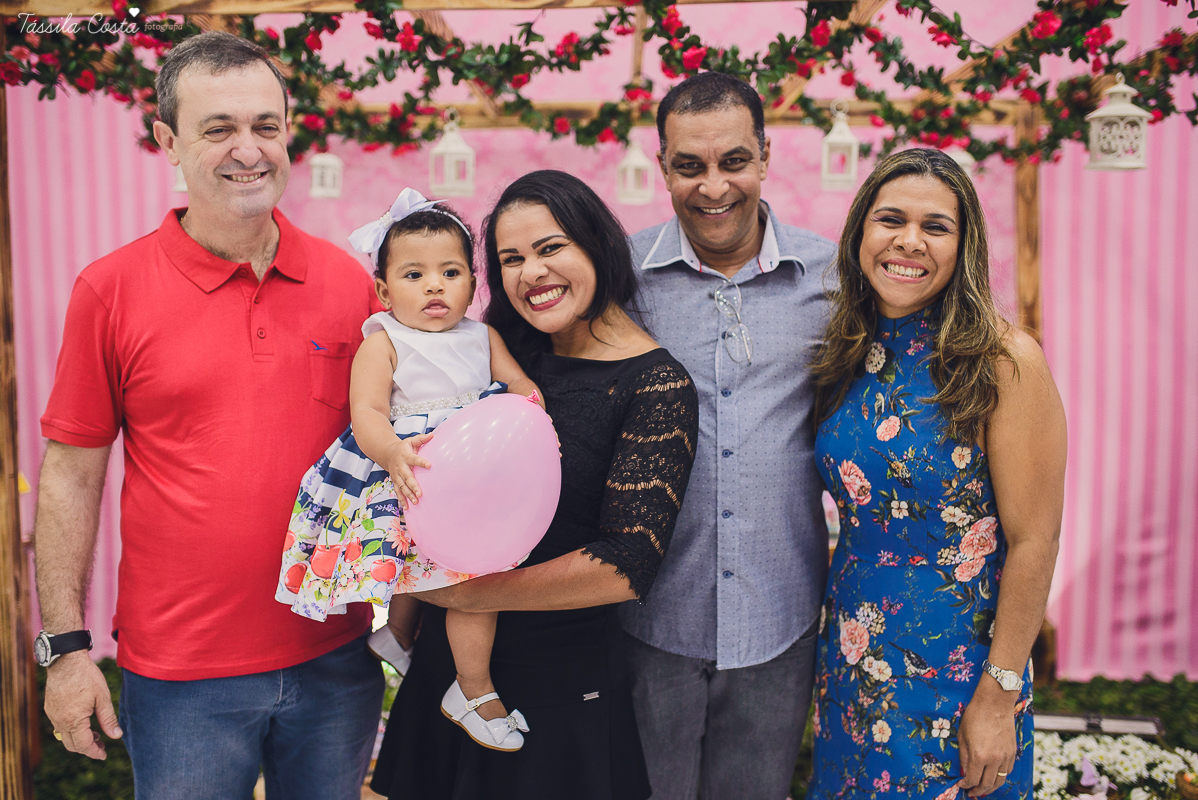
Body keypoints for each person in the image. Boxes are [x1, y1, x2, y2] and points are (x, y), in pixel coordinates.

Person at [33, 31, 383, 799]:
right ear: (169, 141)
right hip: (182, 678)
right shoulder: (110, 290)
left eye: (265, 126)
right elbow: (69, 477)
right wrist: (65, 649)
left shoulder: (347, 282)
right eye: (218, 128)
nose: (247, 150)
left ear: (288, 133)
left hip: (336, 657)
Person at [369, 169, 700, 800]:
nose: (532, 273)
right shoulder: (495, 350)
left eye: (551, 248)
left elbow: (625, 566)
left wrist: (466, 595)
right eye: (511, 258)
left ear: (597, 244)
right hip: (446, 673)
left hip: (559, 688)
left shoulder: (654, 384)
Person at [806, 148, 1066, 800]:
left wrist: (998, 696)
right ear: (861, 231)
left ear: (963, 246)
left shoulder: (1004, 360)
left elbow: (1035, 541)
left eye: (936, 226)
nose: (909, 241)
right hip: (851, 656)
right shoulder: (844, 350)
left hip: (962, 666)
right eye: (891, 219)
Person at [620, 71, 835, 799]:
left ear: (765, 156)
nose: (713, 187)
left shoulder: (832, 279)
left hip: (781, 615)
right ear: (663, 167)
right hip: (650, 617)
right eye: (690, 165)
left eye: (734, 161)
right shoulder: (620, 278)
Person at [275, 187, 542, 752]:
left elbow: (518, 383)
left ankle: (397, 636)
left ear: (474, 282)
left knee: (458, 569)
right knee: (466, 579)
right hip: (410, 469)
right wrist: (393, 452)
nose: (434, 286)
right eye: (414, 275)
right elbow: (367, 413)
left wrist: (533, 410)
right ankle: (472, 688)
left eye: (450, 272)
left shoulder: (483, 337)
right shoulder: (384, 342)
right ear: (383, 290)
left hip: (472, 476)